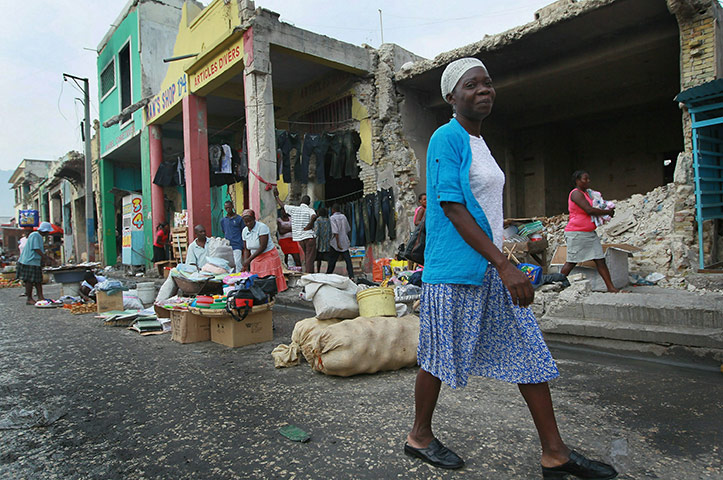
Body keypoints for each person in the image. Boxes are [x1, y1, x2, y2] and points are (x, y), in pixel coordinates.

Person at [405, 58, 617, 480]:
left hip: (491, 266)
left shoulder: (481, 142)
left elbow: (485, 210)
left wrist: (503, 262)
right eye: (472, 85)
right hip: (456, 271)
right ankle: (419, 437)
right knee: (438, 357)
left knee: (530, 352)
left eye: (488, 83)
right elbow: (451, 205)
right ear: (452, 97)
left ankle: (555, 453)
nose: (484, 90)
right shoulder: (446, 138)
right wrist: (504, 263)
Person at [560, 171, 619, 293]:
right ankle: (557, 284)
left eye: (588, 179)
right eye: (585, 179)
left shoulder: (587, 194)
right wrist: (607, 212)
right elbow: (589, 210)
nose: (588, 181)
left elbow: (596, 205)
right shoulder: (576, 194)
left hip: (589, 233)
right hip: (577, 233)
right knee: (572, 261)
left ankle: (611, 288)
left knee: (600, 260)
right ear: (577, 180)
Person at [240, 209, 287, 293]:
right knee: (257, 279)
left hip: (268, 256)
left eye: (250, 221)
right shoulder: (244, 231)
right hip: (255, 257)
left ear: (254, 219)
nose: (248, 224)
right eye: (246, 222)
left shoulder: (262, 227)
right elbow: (246, 248)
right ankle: (260, 295)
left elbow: (263, 246)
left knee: (268, 280)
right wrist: (245, 263)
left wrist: (249, 259)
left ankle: (271, 295)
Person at [273, 188, 316, 273]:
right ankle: (309, 276)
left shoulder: (294, 209)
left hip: (300, 239)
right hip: (309, 237)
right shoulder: (309, 210)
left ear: (301, 202)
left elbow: (282, 205)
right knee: (309, 259)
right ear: (309, 203)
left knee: (304, 258)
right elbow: (314, 216)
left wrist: (276, 196)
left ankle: (305, 274)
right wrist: (310, 224)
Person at [16, 222, 56, 305]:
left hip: (35, 262)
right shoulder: (35, 235)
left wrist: (47, 258)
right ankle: (29, 298)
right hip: (29, 261)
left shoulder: (38, 236)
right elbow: (36, 249)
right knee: (29, 281)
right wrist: (45, 258)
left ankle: (40, 297)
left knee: (38, 280)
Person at [327, 204, 354, 279]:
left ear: (333, 210)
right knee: (348, 260)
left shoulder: (332, 218)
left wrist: (338, 243)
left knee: (332, 260)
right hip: (344, 240)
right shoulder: (344, 217)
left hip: (336, 242)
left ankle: (328, 274)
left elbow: (335, 231)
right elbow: (348, 229)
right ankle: (351, 275)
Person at [221, 201, 245, 272]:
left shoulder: (239, 219)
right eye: (226, 208)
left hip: (237, 244)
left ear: (232, 207)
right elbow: (223, 230)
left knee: (238, 263)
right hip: (227, 245)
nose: (228, 209)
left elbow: (243, 231)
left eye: (229, 207)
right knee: (228, 264)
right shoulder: (223, 220)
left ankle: (239, 279)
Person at [312, 207, 331, 273]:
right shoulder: (328, 220)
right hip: (326, 243)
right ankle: (328, 272)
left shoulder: (318, 220)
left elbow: (316, 232)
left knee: (318, 259)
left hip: (319, 243)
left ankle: (318, 271)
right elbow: (330, 231)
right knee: (328, 258)